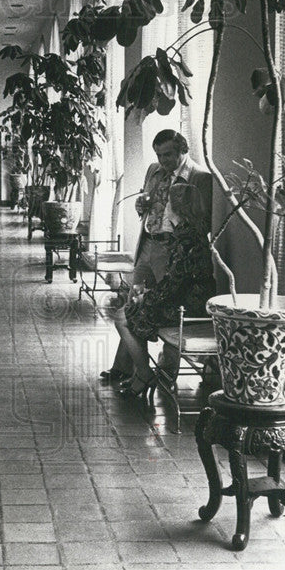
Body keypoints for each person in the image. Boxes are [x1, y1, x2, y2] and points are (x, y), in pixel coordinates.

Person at [100, 129, 214, 396]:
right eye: (159, 155)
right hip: (148, 243)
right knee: (132, 303)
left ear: (183, 150)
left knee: (166, 307)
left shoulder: (200, 178)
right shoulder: (153, 170)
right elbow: (147, 201)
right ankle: (126, 367)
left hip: (174, 251)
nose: (163, 160)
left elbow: (203, 220)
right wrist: (143, 205)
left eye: (169, 155)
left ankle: (165, 373)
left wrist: (180, 219)